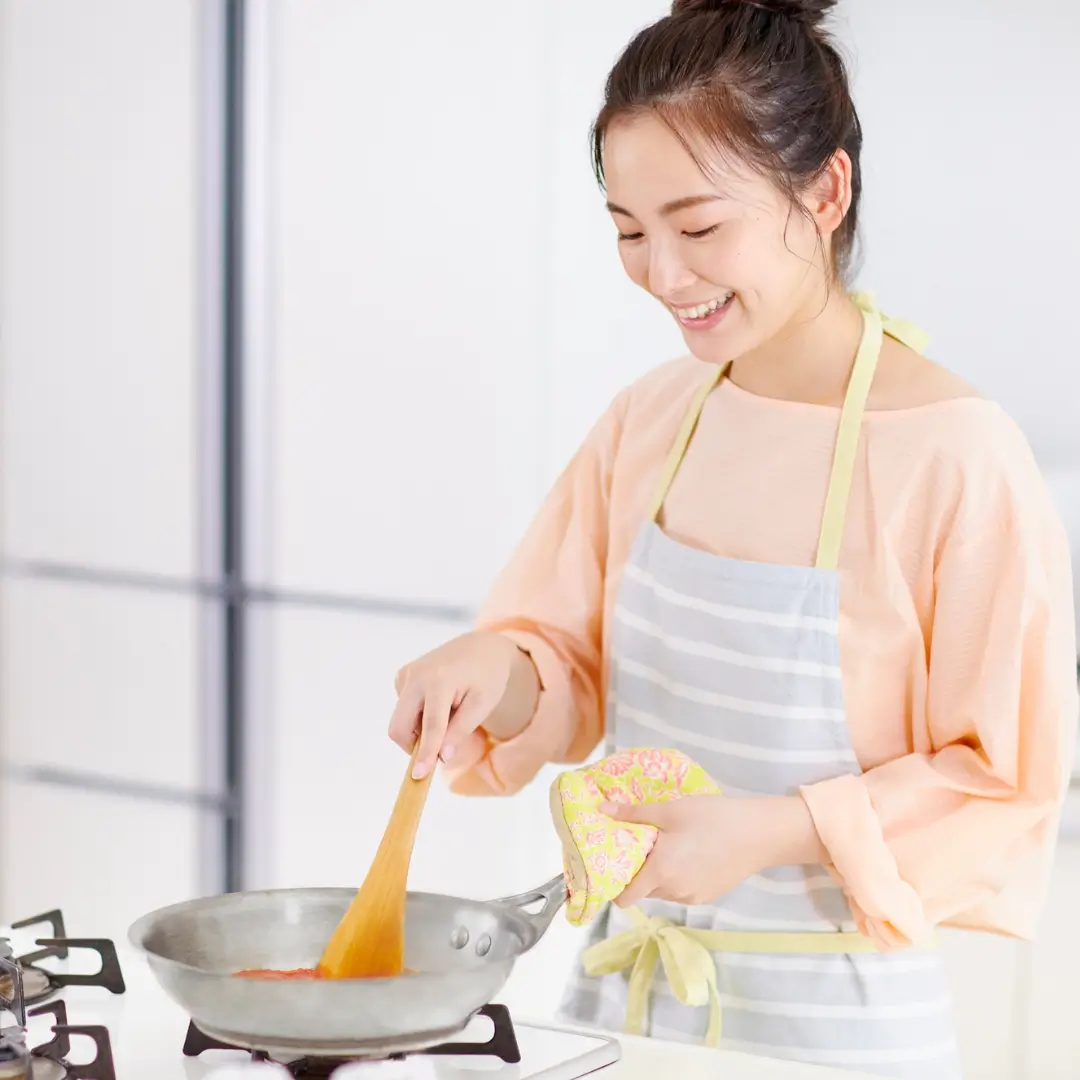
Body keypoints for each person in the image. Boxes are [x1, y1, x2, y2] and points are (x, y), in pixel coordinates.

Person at [387, 0, 1078, 1076]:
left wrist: (772, 831)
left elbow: (1005, 776)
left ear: (826, 190)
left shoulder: (956, 455)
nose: (664, 274)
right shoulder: (652, 418)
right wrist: (498, 671)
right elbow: (565, 668)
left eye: (699, 227)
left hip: (840, 1039)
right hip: (622, 1011)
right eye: (627, 230)